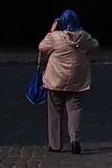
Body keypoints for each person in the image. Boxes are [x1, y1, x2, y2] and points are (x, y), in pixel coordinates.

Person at [38, 9, 98, 155]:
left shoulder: (56, 37)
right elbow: (95, 45)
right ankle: (75, 141)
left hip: (56, 79)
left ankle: (55, 144)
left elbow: (42, 47)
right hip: (77, 81)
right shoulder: (84, 37)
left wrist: (52, 31)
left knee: (55, 112)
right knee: (75, 110)